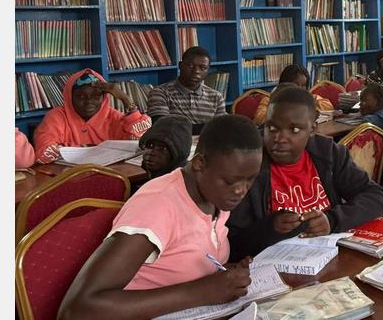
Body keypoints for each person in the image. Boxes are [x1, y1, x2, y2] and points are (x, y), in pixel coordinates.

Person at [58, 115, 264, 320]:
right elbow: (77, 310)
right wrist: (202, 291)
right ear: (200, 163)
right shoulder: (157, 205)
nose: (241, 190)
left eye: (250, 179)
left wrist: (224, 276)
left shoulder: (216, 196)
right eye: (231, 181)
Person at [226, 87, 383, 260]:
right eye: (271, 128)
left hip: (328, 259)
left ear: (312, 129)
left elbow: (376, 196)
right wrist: (270, 228)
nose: (280, 138)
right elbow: (231, 244)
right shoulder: (249, 164)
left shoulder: (328, 153)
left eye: (294, 130)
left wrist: (331, 220)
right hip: (273, 269)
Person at [33, 69, 152, 164]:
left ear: (104, 97)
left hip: (110, 175)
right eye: (81, 96)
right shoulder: (57, 117)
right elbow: (44, 150)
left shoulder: (112, 116)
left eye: (96, 96)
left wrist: (126, 100)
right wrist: (88, 150)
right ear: (70, 98)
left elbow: (143, 141)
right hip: (68, 178)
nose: (89, 101)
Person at [147, 46, 226, 133]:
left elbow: (220, 131)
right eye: (190, 65)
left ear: (208, 70)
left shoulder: (216, 97)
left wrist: (181, 127)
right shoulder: (160, 93)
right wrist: (208, 127)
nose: (196, 71)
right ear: (180, 66)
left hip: (206, 146)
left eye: (203, 68)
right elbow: (163, 128)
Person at [253, 65, 334, 125]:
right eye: (295, 85)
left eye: (303, 86)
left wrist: (307, 106)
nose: (299, 89)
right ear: (284, 84)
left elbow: (328, 106)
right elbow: (259, 118)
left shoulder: (311, 98)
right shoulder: (269, 100)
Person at [138, 115, 193, 182]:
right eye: (149, 145)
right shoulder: (146, 174)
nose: (151, 152)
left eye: (161, 148)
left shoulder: (183, 182)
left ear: (178, 152)